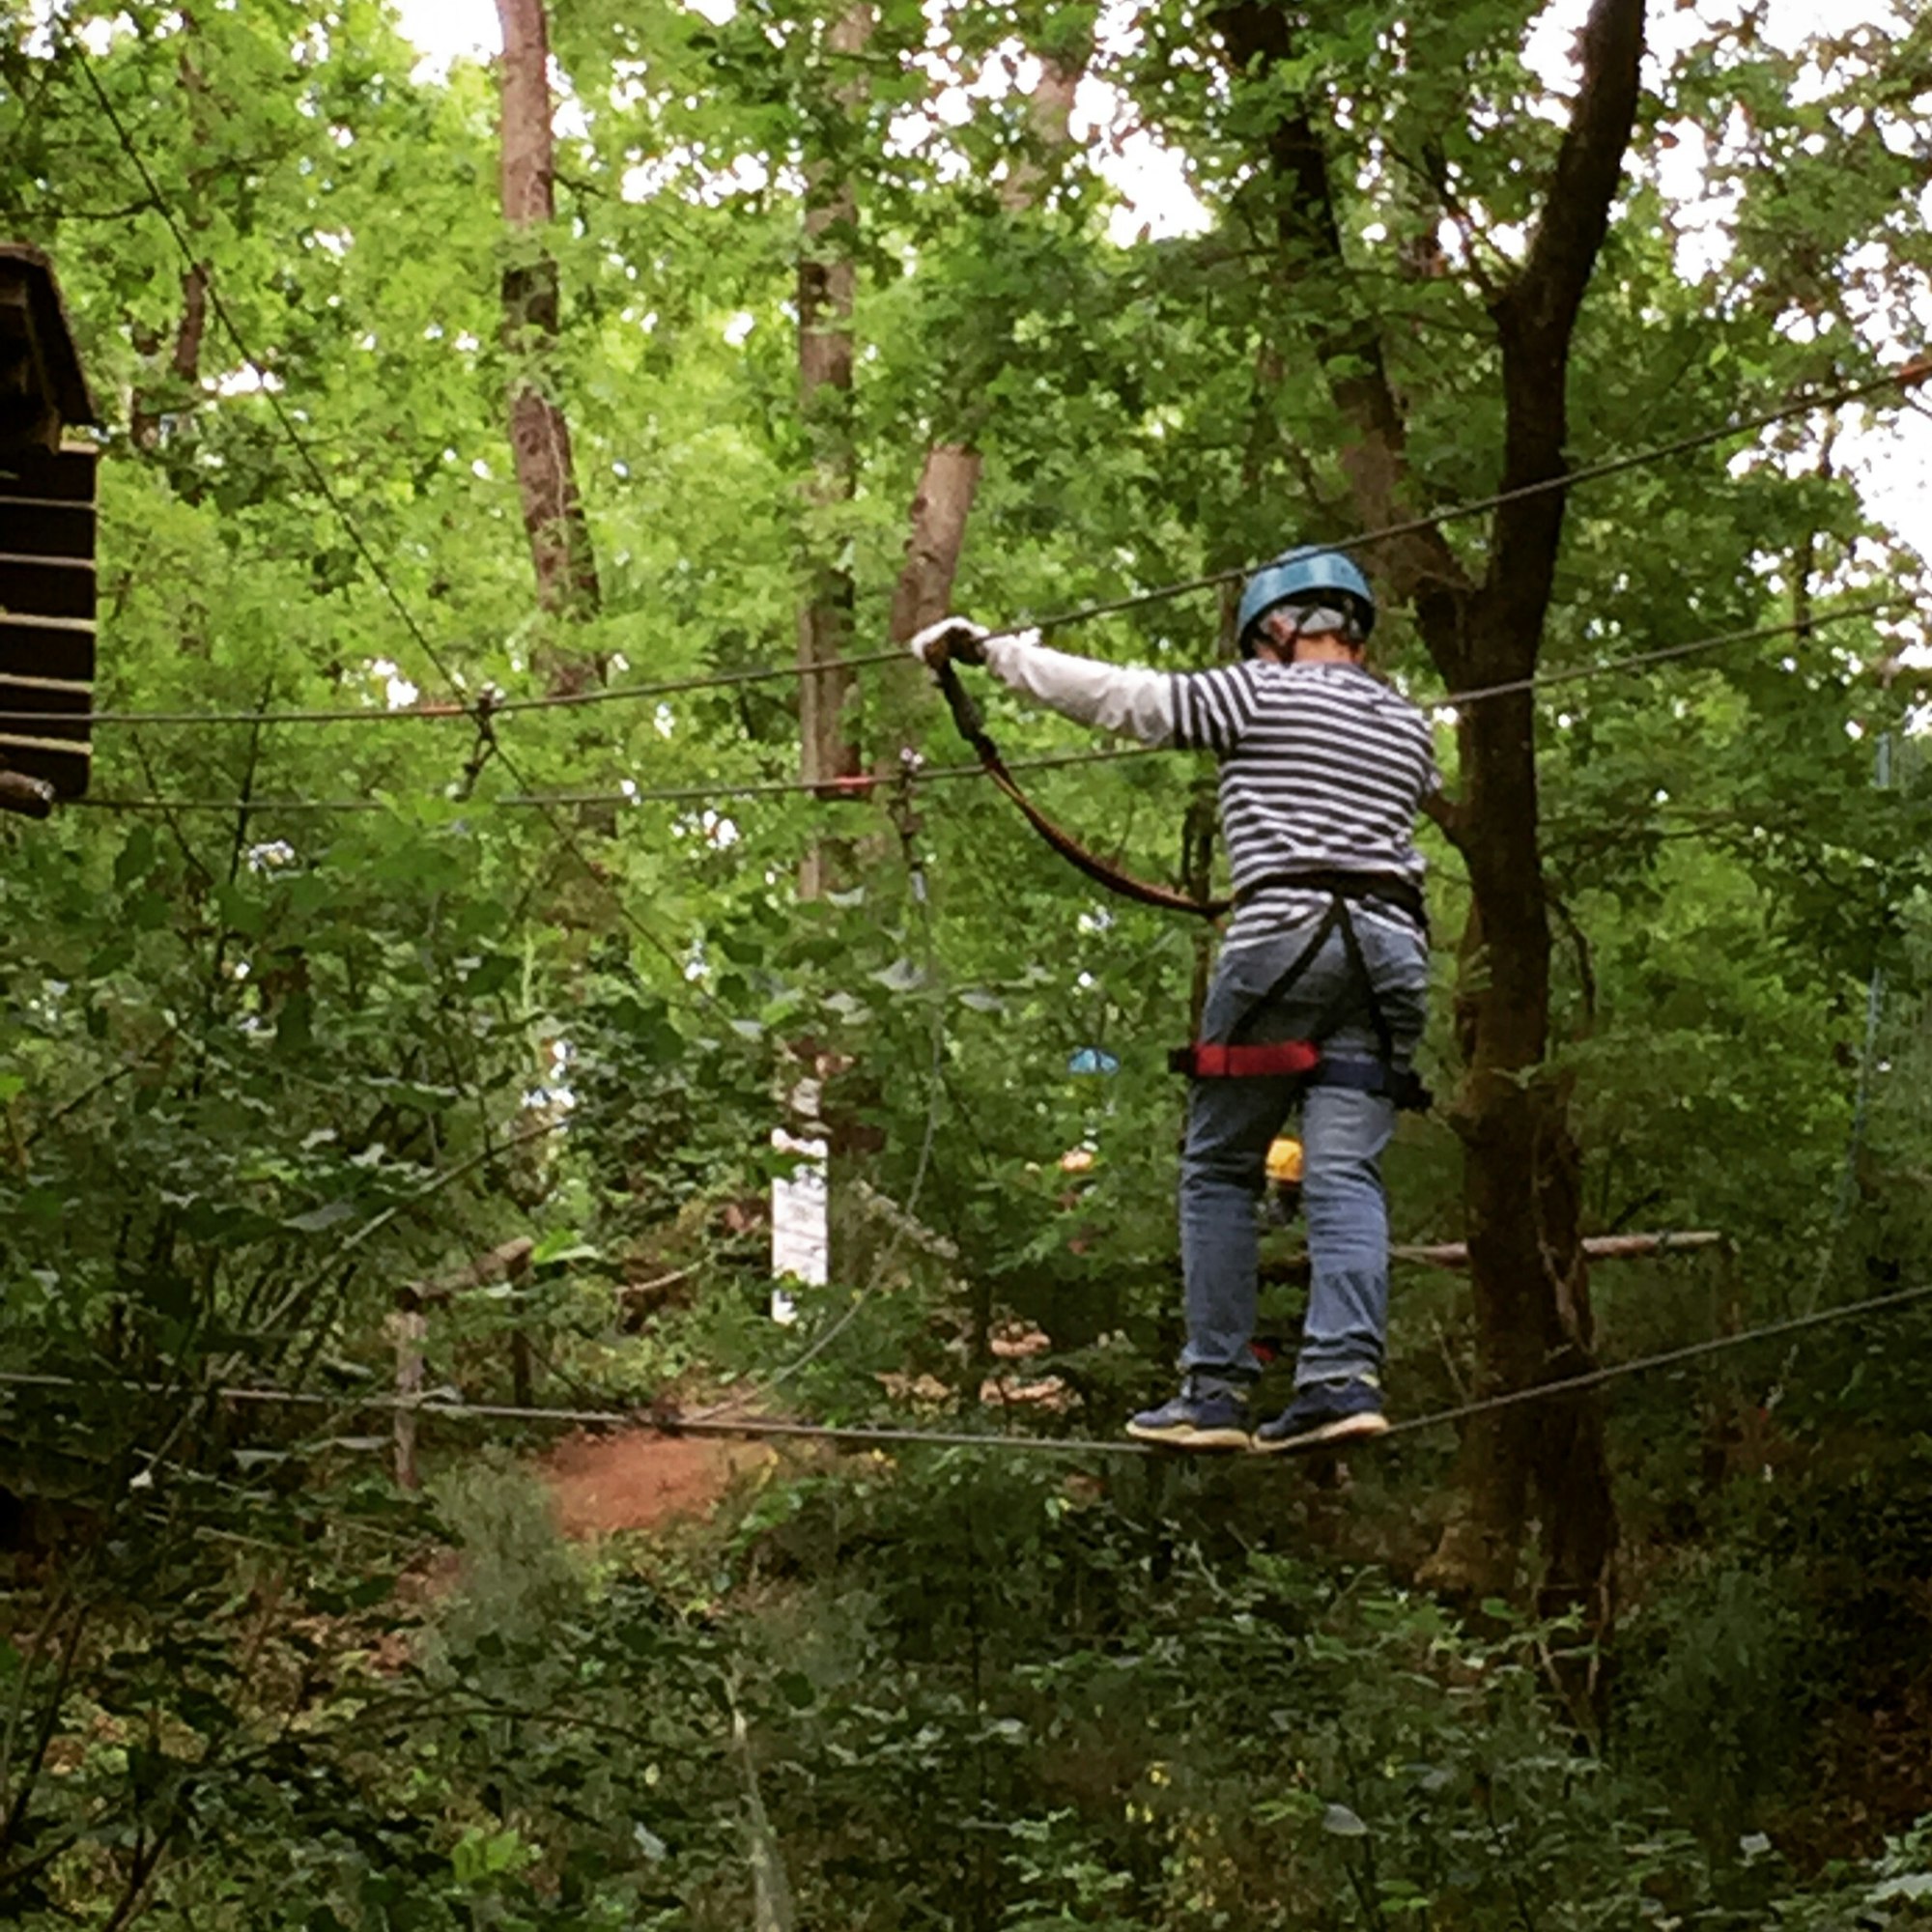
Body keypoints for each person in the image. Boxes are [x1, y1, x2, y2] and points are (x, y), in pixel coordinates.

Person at [911, 548, 1435, 1453]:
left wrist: (995, 653)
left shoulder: (1259, 693)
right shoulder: (1408, 725)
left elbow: (1128, 700)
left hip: (1284, 945)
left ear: (1278, 628)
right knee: (1345, 1173)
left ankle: (1216, 1388)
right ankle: (1342, 1379)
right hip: (1390, 959)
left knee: (1220, 1166)